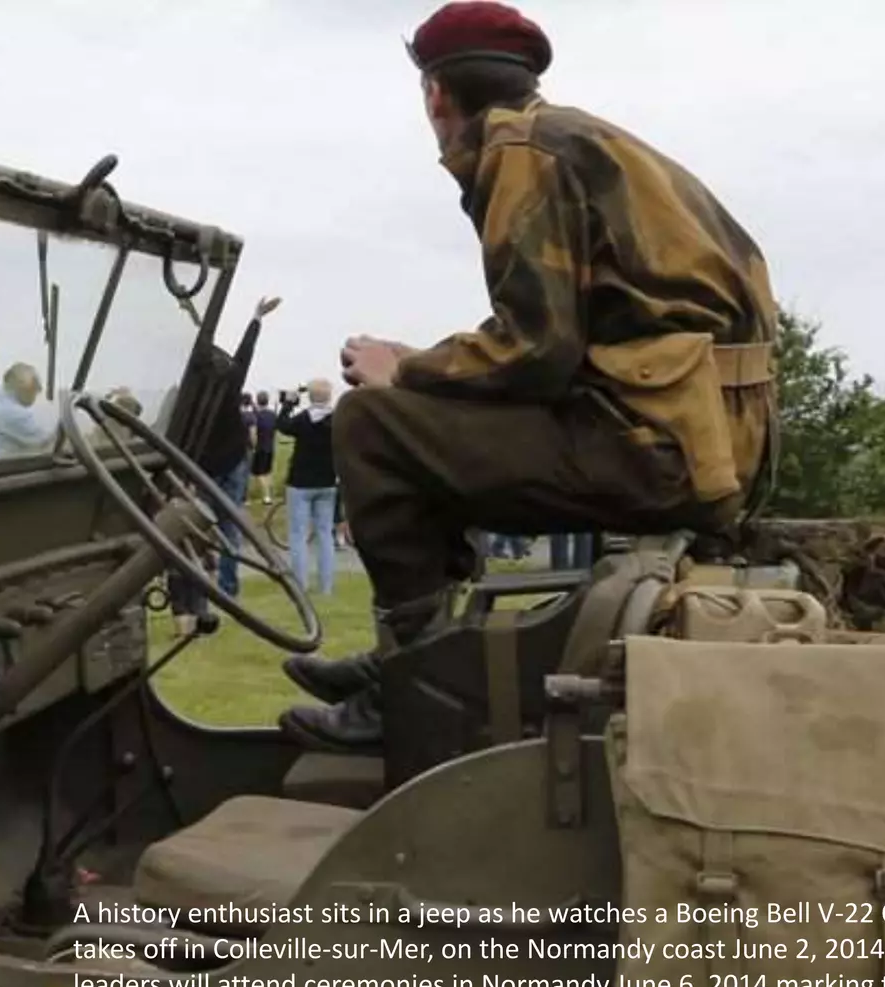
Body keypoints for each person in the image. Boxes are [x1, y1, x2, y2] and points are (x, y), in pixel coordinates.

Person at [279, 0, 779, 752]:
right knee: (419, 420)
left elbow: (537, 350)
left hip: (657, 445)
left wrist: (405, 368)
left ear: (437, 95)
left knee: (372, 425)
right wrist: (422, 377)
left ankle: (411, 687)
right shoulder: (583, 140)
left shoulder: (522, 152)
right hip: (701, 436)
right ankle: (410, 659)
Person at [165, 296, 280, 633]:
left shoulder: (185, 394)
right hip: (232, 460)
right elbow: (244, 355)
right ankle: (227, 590)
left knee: (196, 532)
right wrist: (255, 319)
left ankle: (197, 598)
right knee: (231, 527)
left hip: (201, 466)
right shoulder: (229, 383)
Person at [280, 377, 340, 596]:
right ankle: (326, 586)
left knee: (298, 535)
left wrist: (288, 403)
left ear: (310, 397)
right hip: (327, 480)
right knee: (325, 534)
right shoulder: (337, 420)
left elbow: (282, 425)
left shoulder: (303, 420)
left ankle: (301, 584)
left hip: (300, 482)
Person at [0, 364, 54, 461]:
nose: (38, 391)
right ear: (25, 387)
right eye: (35, 386)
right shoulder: (14, 413)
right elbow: (45, 442)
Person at [249, 390, 280, 506]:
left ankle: (266, 497)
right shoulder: (272, 414)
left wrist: (253, 445)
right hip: (270, 446)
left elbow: (254, 432)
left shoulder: (255, 415)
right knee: (267, 472)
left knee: (259, 473)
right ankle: (270, 494)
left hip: (259, 447)